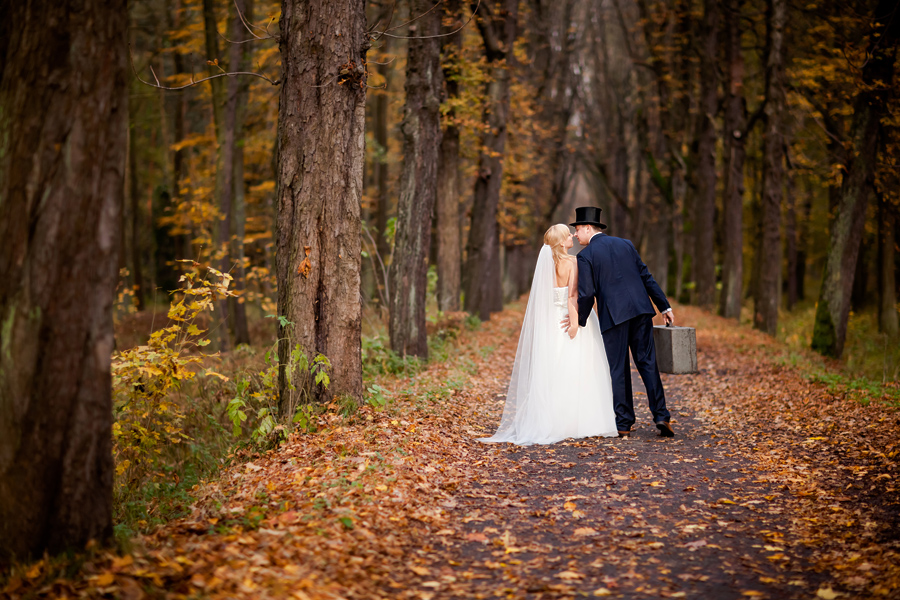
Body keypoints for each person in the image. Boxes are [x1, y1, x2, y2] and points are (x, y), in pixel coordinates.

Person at [479, 224, 618, 445]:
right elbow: (573, 296)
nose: (572, 235)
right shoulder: (572, 262)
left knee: (553, 367)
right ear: (562, 242)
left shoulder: (546, 265)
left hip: (553, 320)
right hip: (569, 316)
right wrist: (574, 323)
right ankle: (577, 420)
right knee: (578, 366)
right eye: (568, 234)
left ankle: (552, 418)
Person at [562, 206, 675, 438]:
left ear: (586, 227)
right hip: (642, 310)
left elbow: (586, 294)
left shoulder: (586, 256)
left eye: (577, 229)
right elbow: (646, 276)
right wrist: (664, 305)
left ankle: (624, 423)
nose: (575, 235)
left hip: (614, 316)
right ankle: (661, 416)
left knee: (619, 368)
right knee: (647, 363)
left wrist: (580, 322)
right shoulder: (626, 244)